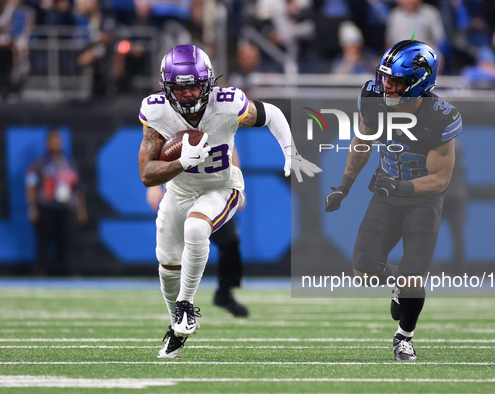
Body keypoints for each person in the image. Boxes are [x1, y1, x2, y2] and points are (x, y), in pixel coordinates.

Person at [138, 44, 321, 358]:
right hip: (178, 192)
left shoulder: (228, 103)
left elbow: (271, 113)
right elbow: (146, 172)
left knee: (198, 228)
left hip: (221, 187)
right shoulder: (155, 111)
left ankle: (186, 305)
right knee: (167, 263)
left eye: (194, 86)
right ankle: (176, 327)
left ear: (209, 83)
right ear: (166, 89)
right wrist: (181, 163)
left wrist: (290, 150)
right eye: (180, 90)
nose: (188, 95)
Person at [324, 40, 462, 361]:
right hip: (386, 197)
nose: (387, 86)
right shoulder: (373, 99)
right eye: (385, 78)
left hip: (422, 200)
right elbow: (362, 140)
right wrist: (344, 186)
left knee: (413, 276)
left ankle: (405, 337)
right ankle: (401, 281)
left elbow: (440, 179)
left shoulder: (440, 116)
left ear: (420, 82)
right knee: (363, 270)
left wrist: (399, 188)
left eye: (396, 82)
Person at [146, 146, 249, 318]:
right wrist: (154, 186)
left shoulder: (216, 120)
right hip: (181, 193)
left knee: (230, 241)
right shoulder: (171, 121)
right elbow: (158, 149)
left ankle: (224, 293)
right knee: (174, 252)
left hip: (214, 192)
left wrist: (237, 186)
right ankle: (178, 304)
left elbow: (231, 149)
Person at [25, 129, 87, 276]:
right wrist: (32, 207)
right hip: (46, 208)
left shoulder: (69, 164)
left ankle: (68, 272)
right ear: (47, 143)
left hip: (65, 208)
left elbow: (77, 187)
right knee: (44, 243)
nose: (55, 144)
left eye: (58, 140)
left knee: (67, 242)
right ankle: (41, 271)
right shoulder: (39, 165)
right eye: (52, 140)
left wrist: (81, 208)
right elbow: (31, 186)